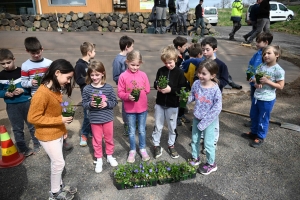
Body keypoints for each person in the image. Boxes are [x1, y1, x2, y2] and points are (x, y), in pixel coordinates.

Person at [27, 59, 77, 200]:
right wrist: (59, 120)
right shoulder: (42, 94)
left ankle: (60, 187)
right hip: (47, 135)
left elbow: (55, 114)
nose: (68, 81)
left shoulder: (54, 90)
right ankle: (54, 193)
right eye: (68, 78)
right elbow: (32, 118)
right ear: (57, 73)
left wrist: (63, 130)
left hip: (56, 132)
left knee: (57, 161)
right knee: (59, 163)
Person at [21, 36, 73, 151]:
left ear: (42, 49)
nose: (36, 55)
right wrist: (31, 82)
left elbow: (57, 116)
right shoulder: (26, 66)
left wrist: (62, 127)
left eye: (38, 52)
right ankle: (39, 142)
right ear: (27, 51)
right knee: (40, 117)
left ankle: (60, 139)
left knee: (55, 113)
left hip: (52, 92)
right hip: (38, 95)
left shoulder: (50, 63)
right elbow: (23, 83)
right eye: (33, 53)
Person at [243, 45, 285, 148]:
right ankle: (253, 133)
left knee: (263, 118)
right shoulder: (262, 66)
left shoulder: (278, 70)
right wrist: (254, 81)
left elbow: (280, 86)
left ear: (277, 55)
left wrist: (268, 81)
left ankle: (260, 137)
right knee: (254, 115)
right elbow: (258, 80)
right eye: (264, 54)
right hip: (257, 96)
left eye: (269, 53)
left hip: (267, 99)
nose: (265, 55)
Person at [0, 49, 39, 156]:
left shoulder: (22, 72)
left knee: (32, 125)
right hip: (12, 105)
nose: (6, 66)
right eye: (2, 64)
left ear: (14, 59)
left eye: (8, 62)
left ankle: (37, 143)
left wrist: (23, 90)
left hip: (26, 102)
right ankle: (23, 148)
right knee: (17, 128)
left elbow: (30, 86)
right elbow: (0, 91)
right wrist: (5, 93)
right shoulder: (1, 76)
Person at [82, 60, 118, 173]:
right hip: (95, 119)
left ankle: (109, 155)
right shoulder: (87, 89)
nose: (94, 77)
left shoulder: (108, 88)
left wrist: (107, 103)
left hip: (107, 118)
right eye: (92, 75)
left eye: (97, 74)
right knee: (97, 140)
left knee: (109, 138)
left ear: (103, 73)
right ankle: (98, 158)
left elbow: (115, 102)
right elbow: (84, 103)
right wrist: (90, 104)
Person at [152, 45, 187, 159]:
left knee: (172, 126)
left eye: (170, 62)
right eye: (166, 62)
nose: (168, 65)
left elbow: (183, 89)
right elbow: (155, 82)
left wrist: (171, 90)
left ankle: (171, 145)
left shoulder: (180, 73)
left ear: (175, 59)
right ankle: (156, 145)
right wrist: (157, 86)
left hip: (173, 104)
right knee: (158, 125)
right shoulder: (160, 70)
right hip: (160, 103)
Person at [188, 59, 222, 175]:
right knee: (195, 139)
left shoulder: (215, 90)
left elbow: (216, 109)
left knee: (208, 143)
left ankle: (211, 164)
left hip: (209, 121)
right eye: (199, 73)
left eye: (204, 73)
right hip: (197, 117)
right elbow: (192, 95)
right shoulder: (197, 83)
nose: (200, 76)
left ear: (212, 75)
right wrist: (185, 99)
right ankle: (195, 157)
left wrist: (204, 122)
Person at [117, 50, 151, 163]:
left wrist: (140, 93)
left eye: (137, 65)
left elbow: (147, 89)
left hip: (142, 108)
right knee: (131, 131)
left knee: (142, 130)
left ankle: (142, 148)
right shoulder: (123, 76)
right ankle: (132, 150)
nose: (135, 67)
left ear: (140, 63)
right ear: (127, 62)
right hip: (130, 109)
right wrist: (128, 96)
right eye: (132, 65)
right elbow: (120, 92)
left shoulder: (143, 75)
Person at [200, 36, 229, 152]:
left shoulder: (221, 65)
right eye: (203, 50)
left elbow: (225, 80)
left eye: (207, 49)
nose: (204, 52)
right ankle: (203, 137)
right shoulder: (201, 63)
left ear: (215, 49)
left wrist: (214, 83)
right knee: (202, 116)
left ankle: (213, 140)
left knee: (213, 119)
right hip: (202, 97)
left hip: (214, 99)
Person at [244, 32, 273, 127]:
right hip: (253, 83)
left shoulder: (267, 56)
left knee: (260, 104)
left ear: (266, 42)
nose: (256, 44)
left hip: (260, 85)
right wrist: (249, 75)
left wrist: (258, 80)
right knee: (254, 102)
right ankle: (253, 120)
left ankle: (259, 121)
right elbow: (251, 65)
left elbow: (265, 70)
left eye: (258, 42)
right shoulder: (257, 54)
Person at [74, 42, 95, 147]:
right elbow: (78, 79)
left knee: (93, 113)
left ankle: (92, 132)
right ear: (89, 52)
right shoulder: (80, 65)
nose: (95, 52)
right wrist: (89, 79)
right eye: (94, 51)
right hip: (86, 93)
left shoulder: (89, 63)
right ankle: (84, 134)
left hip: (93, 91)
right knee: (87, 115)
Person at [112, 35, 134, 136]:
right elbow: (116, 76)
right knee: (126, 107)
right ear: (127, 47)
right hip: (124, 88)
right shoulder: (118, 60)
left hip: (132, 86)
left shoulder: (129, 58)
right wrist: (124, 80)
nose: (133, 49)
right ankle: (127, 124)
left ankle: (133, 122)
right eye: (132, 46)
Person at [173, 36, 191, 126]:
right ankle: (177, 117)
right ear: (179, 47)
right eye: (185, 46)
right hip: (178, 82)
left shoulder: (183, 53)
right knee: (178, 99)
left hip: (185, 81)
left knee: (184, 98)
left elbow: (189, 49)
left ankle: (181, 114)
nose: (186, 47)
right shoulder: (175, 58)